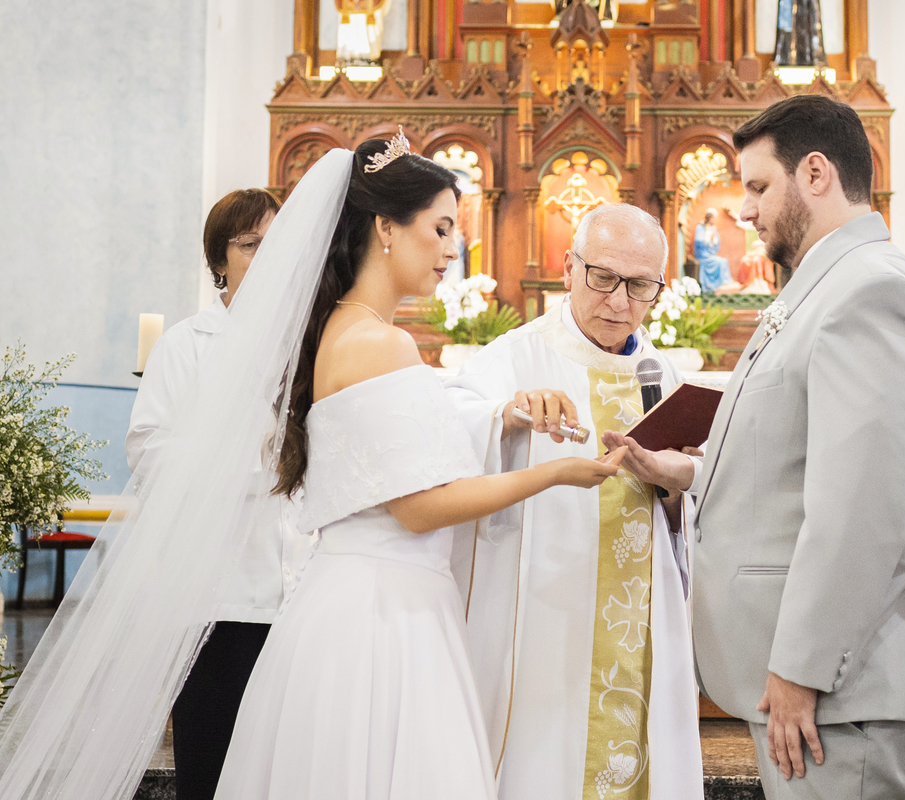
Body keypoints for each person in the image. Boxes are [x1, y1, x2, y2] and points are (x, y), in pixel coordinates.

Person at [0, 134, 620, 800]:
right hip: (386, 612)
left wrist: (505, 415)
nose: (451, 249)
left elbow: (401, 449)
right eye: (440, 228)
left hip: (343, 596)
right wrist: (555, 474)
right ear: (385, 226)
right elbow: (418, 506)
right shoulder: (382, 343)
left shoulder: (338, 334)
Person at [690, 95, 905, 800]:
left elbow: (862, 505)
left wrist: (801, 670)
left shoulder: (867, 291)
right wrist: (683, 472)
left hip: (842, 691)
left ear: (815, 173)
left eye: (757, 187)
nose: (745, 212)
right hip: (827, 693)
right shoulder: (823, 288)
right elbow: (795, 461)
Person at [444, 203, 704, 800]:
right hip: (542, 612)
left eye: (639, 286)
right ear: (568, 267)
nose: (618, 301)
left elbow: (685, 514)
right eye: (603, 277)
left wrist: (675, 483)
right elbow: (448, 436)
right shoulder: (513, 358)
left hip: (642, 614)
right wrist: (506, 416)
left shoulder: (660, 372)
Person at [125, 187, 302, 800]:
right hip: (218, 594)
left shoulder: (312, 343)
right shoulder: (186, 345)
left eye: (277, 245)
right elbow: (148, 453)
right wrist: (252, 451)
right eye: (251, 245)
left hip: (303, 592)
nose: (268, 257)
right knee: (213, 761)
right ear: (218, 259)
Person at [693, 208, 734, 292]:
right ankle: (711, 285)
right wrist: (708, 239)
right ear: (709, 217)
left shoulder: (713, 228)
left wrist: (713, 240)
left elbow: (717, 242)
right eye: (713, 218)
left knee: (723, 261)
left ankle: (723, 283)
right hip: (703, 254)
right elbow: (698, 241)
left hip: (711, 253)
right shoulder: (700, 227)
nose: (714, 220)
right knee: (719, 262)